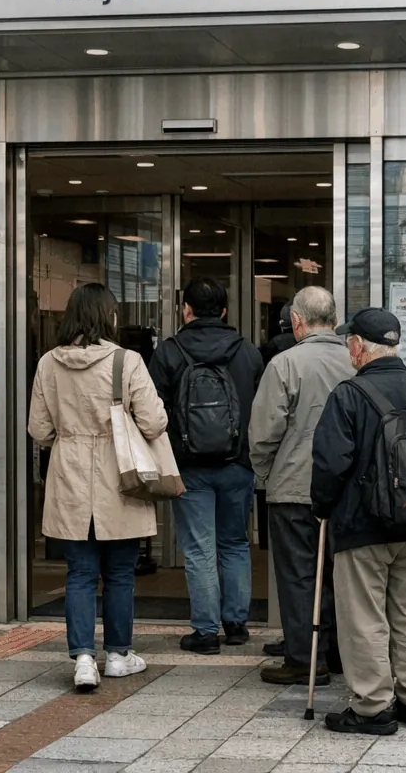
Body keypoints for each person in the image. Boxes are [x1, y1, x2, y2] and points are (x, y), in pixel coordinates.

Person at [311, 307, 406, 736]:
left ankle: (373, 707)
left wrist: (322, 507)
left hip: (363, 528)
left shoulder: (348, 395)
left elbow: (330, 464)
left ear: (357, 346)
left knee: (365, 618)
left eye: (349, 343)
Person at [28, 283, 168, 692]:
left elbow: (39, 429)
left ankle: (84, 660)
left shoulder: (48, 363)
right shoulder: (127, 361)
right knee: (120, 572)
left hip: (69, 475)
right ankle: (119, 655)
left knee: (80, 573)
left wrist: (71, 436)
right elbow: (154, 422)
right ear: (110, 316)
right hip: (119, 476)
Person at [149, 276, 263, 655]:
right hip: (238, 464)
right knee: (235, 542)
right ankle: (236, 624)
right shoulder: (247, 352)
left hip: (189, 466)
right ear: (225, 311)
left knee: (199, 548)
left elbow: (153, 410)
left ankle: (205, 631)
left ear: (186, 310)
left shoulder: (169, 352)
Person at [249, 286, 355, 685]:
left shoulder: (284, 363)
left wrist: (265, 474)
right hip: (345, 489)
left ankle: (304, 658)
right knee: (342, 574)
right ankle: (340, 652)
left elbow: (264, 432)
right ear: (334, 319)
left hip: (294, 488)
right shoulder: (355, 360)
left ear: (296, 321)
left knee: (298, 576)